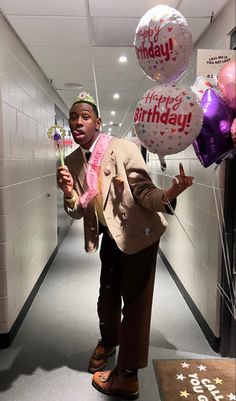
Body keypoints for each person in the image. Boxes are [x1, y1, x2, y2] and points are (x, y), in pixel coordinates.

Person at [57, 92, 193, 400]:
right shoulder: (72, 161)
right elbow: (77, 210)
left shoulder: (122, 148)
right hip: (110, 237)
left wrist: (170, 192)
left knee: (135, 305)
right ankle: (109, 341)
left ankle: (128, 376)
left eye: (85, 116)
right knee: (107, 296)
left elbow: (145, 192)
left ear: (98, 123)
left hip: (139, 235)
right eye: (74, 117)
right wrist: (68, 191)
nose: (78, 121)